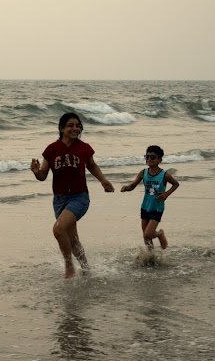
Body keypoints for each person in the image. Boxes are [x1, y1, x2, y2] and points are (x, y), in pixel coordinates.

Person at [31, 113, 115, 278]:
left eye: (77, 125)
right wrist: (36, 171)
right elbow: (43, 176)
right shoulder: (51, 149)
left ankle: (69, 266)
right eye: (70, 125)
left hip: (80, 197)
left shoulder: (84, 148)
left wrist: (103, 181)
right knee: (72, 239)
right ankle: (86, 268)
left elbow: (92, 165)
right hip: (59, 200)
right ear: (61, 128)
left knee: (58, 229)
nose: (75, 128)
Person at [121, 145, 179, 251]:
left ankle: (160, 233)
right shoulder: (143, 173)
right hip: (145, 207)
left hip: (157, 207)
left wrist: (166, 194)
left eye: (153, 157)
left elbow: (176, 184)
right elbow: (133, 186)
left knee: (149, 234)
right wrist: (127, 188)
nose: (149, 159)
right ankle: (151, 257)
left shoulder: (164, 175)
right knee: (146, 237)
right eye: (147, 156)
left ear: (159, 160)